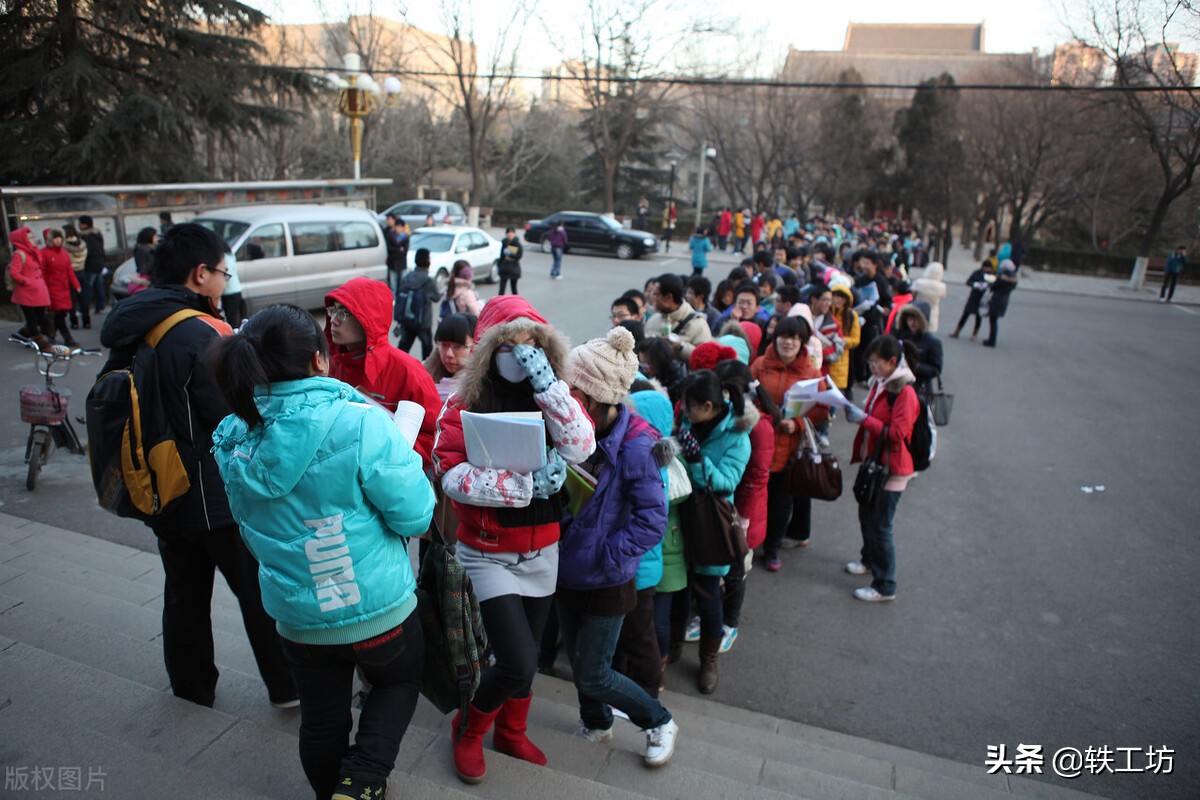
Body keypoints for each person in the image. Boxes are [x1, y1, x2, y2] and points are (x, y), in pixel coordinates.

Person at [208, 304, 432, 800]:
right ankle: (364, 779)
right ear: (319, 361)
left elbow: (251, 527)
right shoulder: (360, 424)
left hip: (298, 616)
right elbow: (415, 516)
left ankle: (332, 790)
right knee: (399, 681)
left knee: (321, 720)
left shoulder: (231, 437)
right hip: (377, 608)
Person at [99, 223, 296, 709]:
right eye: (223, 273)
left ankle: (191, 689)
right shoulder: (200, 332)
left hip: (159, 485)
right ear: (200, 273)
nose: (226, 282)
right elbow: (237, 411)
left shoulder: (139, 323)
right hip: (215, 493)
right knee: (258, 593)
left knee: (183, 596)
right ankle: (288, 688)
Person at [432, 295, 596, 785]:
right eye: (509, 343)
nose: (520, 354)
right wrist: (523, 486)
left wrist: (550, 387)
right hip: (486, 553)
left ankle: (511, 730)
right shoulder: (463, 402)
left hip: (543, 549)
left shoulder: (554, 394)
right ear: (488, 349)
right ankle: (468, 730)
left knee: (525, 661)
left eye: (532, 344)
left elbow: (582, 446)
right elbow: (449, 471)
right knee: (518, 661)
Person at [558, 326, 679, 766]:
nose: (566, 402)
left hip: (607, 577)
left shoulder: (637, 446)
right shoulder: (571, 435)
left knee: (594, 669)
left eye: (574, 394)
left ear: (597, 399)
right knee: (578, 659)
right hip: (567, 569)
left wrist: (607, 556)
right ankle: (596, 723)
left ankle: (658, 719)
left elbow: (651, 522)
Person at [674, 370, 754, 693]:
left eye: (689, 406)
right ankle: (672, 648)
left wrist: (696, 458)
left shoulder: (738, 436)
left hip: (711, 522)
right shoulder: (686, 421)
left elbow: (725, 484)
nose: (683, 410)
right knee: (678, 591)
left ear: (708, 407)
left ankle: (709, 659)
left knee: (708, 596)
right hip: (680, 515)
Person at [325, 276, 442, 467]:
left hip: (390, 477)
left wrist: (386, 453)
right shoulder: (329, 364)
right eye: (333, 311)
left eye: (344, 312)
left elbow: (435, 438)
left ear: (369, 319)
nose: (334, 320)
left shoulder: (408, 371)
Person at [844, 335, 920, 602]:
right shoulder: (882, 383)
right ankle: (868, 561)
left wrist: (864, 420)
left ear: (891, 362)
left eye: (876, 364)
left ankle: (885, 585)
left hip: (893, 469)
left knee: (881, 526)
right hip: (876, 463)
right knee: (867, 515)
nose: (872, 369)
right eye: (870, 363)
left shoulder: (904, 391)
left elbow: (898, 433)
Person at [751, 315, 825, 569]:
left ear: (802, 342)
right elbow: (747, 395)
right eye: (784, 336)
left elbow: (821, 408)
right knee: (754, 497)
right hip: (758, 444)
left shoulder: (811, 371)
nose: (788, 342)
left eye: (794, 338)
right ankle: (751, 542)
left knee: (781, 501)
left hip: (789, 449)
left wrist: (797, 424)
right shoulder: (761, 364)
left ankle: (772, 548)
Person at [712, 359, 774, 654]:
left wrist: (744, 519)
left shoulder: (756, 426)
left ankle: (730, 623)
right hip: (722, 507)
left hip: (742, 513)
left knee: (735, 571)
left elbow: (757, 479)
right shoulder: (725, 416)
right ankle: (710, 616)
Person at [644, 273, 713, 364]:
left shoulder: (698, 324)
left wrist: (680, 347)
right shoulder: (653, 320)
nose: (652, 297)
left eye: (656, 294)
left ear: (669, 297)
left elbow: (706, 359)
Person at [8, 227, 53, 348]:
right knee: (32, 319)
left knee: (41, 317)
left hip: (39, 291)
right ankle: (41, 344)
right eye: (29, 238)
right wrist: (26, 281)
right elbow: (14, 272)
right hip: (26, 292)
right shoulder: (19, 254)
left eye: (32, 237)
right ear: (22, 240)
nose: (32, 239)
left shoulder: (35, 252)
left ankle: (23, 334)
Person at [40, 227, 81, 347]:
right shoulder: (44, 253)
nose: (57, 240)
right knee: (58, 315)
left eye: (59, 237)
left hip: (64, 288)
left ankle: (49, 335)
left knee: (61, 314)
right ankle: (67, 338)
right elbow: (42, 272)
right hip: (52, 289)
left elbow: (69, 271)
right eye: (54, 238)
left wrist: (76, 284)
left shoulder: (64, 253)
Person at [396, 248, 438, 360]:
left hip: (406, 320)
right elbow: (436, 298)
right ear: (427, 261)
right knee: (427, 350)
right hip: (423, 322)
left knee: (403, 349)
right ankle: (425, 374)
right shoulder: (427, 281)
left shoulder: (407, 277)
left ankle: (397, 370)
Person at [893, 305, 943, 395]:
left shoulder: (933, 342)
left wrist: (915, 366)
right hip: (898, 385)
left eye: (916, 319)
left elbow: (936, 370)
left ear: (923, 321)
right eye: (910, 319)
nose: (912, 322)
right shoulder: (901, 336)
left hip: (920, 389)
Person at [828, 285, 862, 401]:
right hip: (824, 356)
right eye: (836, 296)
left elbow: (855, 339)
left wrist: (841, 340)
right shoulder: (827, 312)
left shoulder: (852, 316)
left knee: (834, 393)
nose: (838, 300)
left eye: (842, 298)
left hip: (840, 358)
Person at [949, 260, 993, 341]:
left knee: (978, 317)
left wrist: (987, 286)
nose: (987, 269)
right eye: (985, 267)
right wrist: (975, 284)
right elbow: (969, 282)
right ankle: (957, 331)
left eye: (988, 268)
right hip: (973, 296)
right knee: (965, 314)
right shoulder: (977, 273)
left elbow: (993, 285)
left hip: (983, 298)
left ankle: (975, 334)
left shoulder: (991, 275)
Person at [982, 259, 1019, 348]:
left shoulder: (1002, 277)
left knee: (993, 321)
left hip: (996, 299)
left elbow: (993, 287)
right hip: (1004, 300)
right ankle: (992, 339)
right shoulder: (1013, 279)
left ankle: (992, 340)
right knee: (994, 320)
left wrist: (991, 284)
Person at [77, 214, 106, 326]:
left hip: (90, 264)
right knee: (99, 286)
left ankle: (85, 308)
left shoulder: (86, 236)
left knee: (87, 288)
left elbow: (87, 252)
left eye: (80, 223)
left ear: (84, 224)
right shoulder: (97, 234)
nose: (79, 226)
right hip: (100, 263)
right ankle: (100, 306)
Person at [62, 224, 87, 330]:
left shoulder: (64, 246)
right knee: (83, 298)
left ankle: (74, 322)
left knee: (72, 299)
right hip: (82, 271)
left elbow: (65, 260)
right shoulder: (82, 243)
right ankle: (87, 321)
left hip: (70, 273)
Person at [911, 261, 947, 331]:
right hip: (933, 309)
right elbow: (943, 296)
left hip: (917, 307)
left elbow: (912, 293)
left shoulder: (919, 282)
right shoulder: (942, 286)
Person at [383, 212, 407, 293]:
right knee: (393, 285)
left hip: (402, 264)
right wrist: (398, 250)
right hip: (392, 263)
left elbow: (404, 252)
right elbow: (389, 248)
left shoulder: (405, 237)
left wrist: (397, 251)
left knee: (402, 284)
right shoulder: (389, 234)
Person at [498, 227, 523, 295]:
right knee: (501, 289)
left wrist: (510, 254)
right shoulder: (504, 242)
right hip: (504, 268)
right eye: (508, 232)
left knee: (513, 288)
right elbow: (501, 256)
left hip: (514, 269)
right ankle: (500, 303)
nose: (510, 234)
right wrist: (499, 266)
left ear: (514, 234)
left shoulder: (517, 243)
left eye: (512, 233)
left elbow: (519, 256)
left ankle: (516, 303)